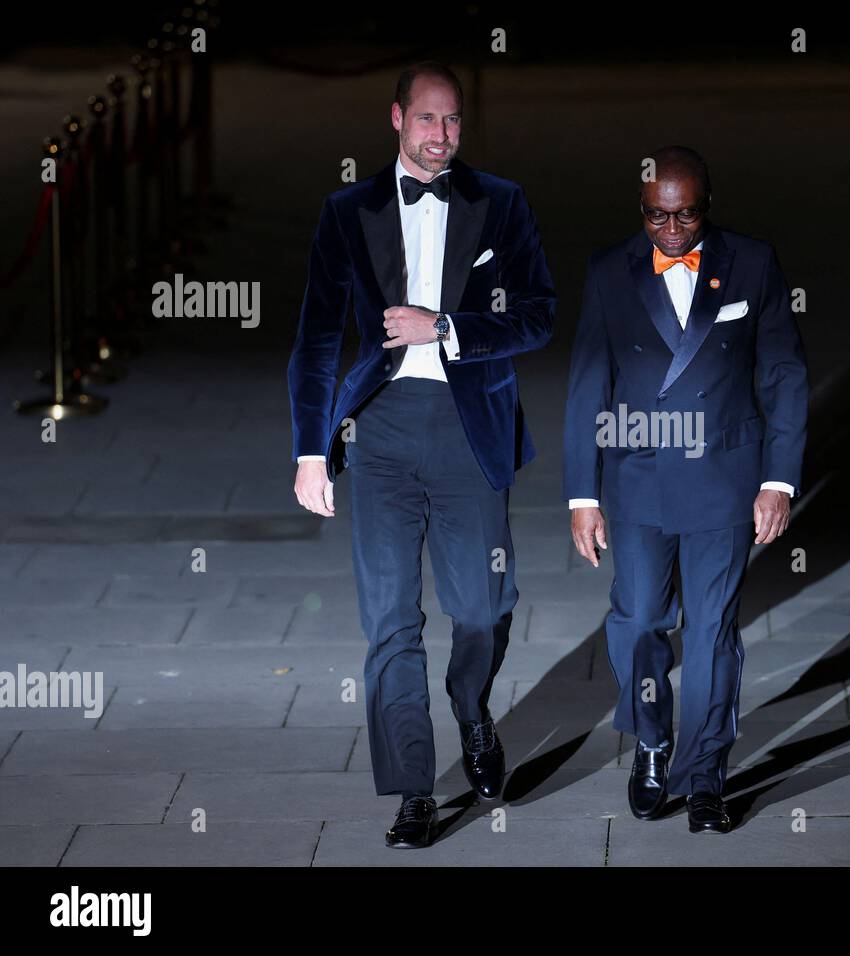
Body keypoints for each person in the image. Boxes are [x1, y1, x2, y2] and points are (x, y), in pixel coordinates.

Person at [288, 61, 556, 848]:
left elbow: (538, 314)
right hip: (378, 432)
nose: (442, 136)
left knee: (482, 608)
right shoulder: (349, 210)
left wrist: (445, 327)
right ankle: (413, 789)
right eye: (429, 120)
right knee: (390, 622)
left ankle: (471, 709)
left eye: (454, 122)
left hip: (468, 426)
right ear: (397, 119)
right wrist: (311, 449)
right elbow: (312, 341)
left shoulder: (499, 203)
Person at [564, 146, 808, 833]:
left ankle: (705, 775)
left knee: (710, 634)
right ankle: (650, 740)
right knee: (639, 619)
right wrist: (582, 495)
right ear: (640, 210)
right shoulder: (610, 270)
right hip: (637, 480)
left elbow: (784, 373)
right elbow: (588, 384)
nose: (671, 229)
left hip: (724, 481)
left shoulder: (753, 263)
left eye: (685, 213)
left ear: (708, 203)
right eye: (655, 215)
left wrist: (778, 478)